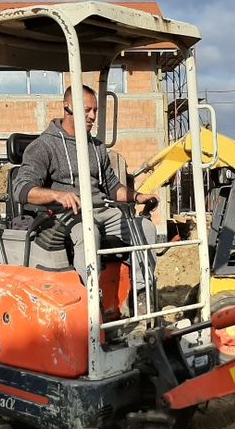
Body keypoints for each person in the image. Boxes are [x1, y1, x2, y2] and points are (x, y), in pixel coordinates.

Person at [11, 85, 160, 284]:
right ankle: (90, 301)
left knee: (146, 228)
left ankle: (142, 295)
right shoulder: (44, 146)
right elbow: (21, 189)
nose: (92, 116)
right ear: (68, 107)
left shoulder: (96, 147)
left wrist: (138, 196)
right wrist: (57, 195)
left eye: (95, 111)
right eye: (87, 110)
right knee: (88, 234)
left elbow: (113, 187)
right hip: (64, 216)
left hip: (101, 211)